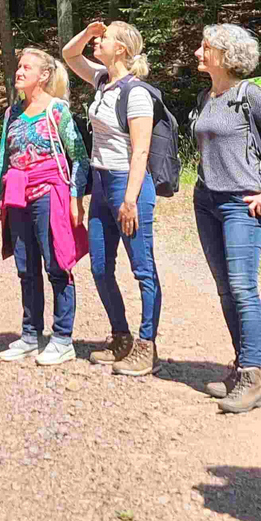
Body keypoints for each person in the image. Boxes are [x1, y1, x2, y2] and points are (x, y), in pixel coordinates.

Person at [191, 24, 261, 414]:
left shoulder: (249, 94)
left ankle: (252, 378)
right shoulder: (208, 96)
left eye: (206, 47)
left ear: (225, 55)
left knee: (242, 288)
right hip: (207, 200)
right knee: (224, 288)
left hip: (242, 203)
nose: (199, 52)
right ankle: (239, 369)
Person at [62, 20, 162, 377]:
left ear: (120, 49)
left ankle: (147, 346)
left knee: (142, 268)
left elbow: (141, 150)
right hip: (101, 183)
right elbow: (68, 54)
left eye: (103, 39)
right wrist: (88, 33)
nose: (97, 42)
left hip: (127, 184)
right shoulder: (103, 81)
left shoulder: (136, 93)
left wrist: (131, 199)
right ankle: (121, 337)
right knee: (100, 267)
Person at [0, 47, 88, 367]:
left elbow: (80, 158)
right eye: (18, 66)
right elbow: (4, 158)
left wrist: (75, 199)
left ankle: (62, 338)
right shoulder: (11, 114)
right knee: (26, 267)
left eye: (26, 67)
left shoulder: (57, 110)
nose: (19, 71)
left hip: (50, 193)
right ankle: (30, 336)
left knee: (57, 264)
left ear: (43, 75)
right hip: (17, 196)